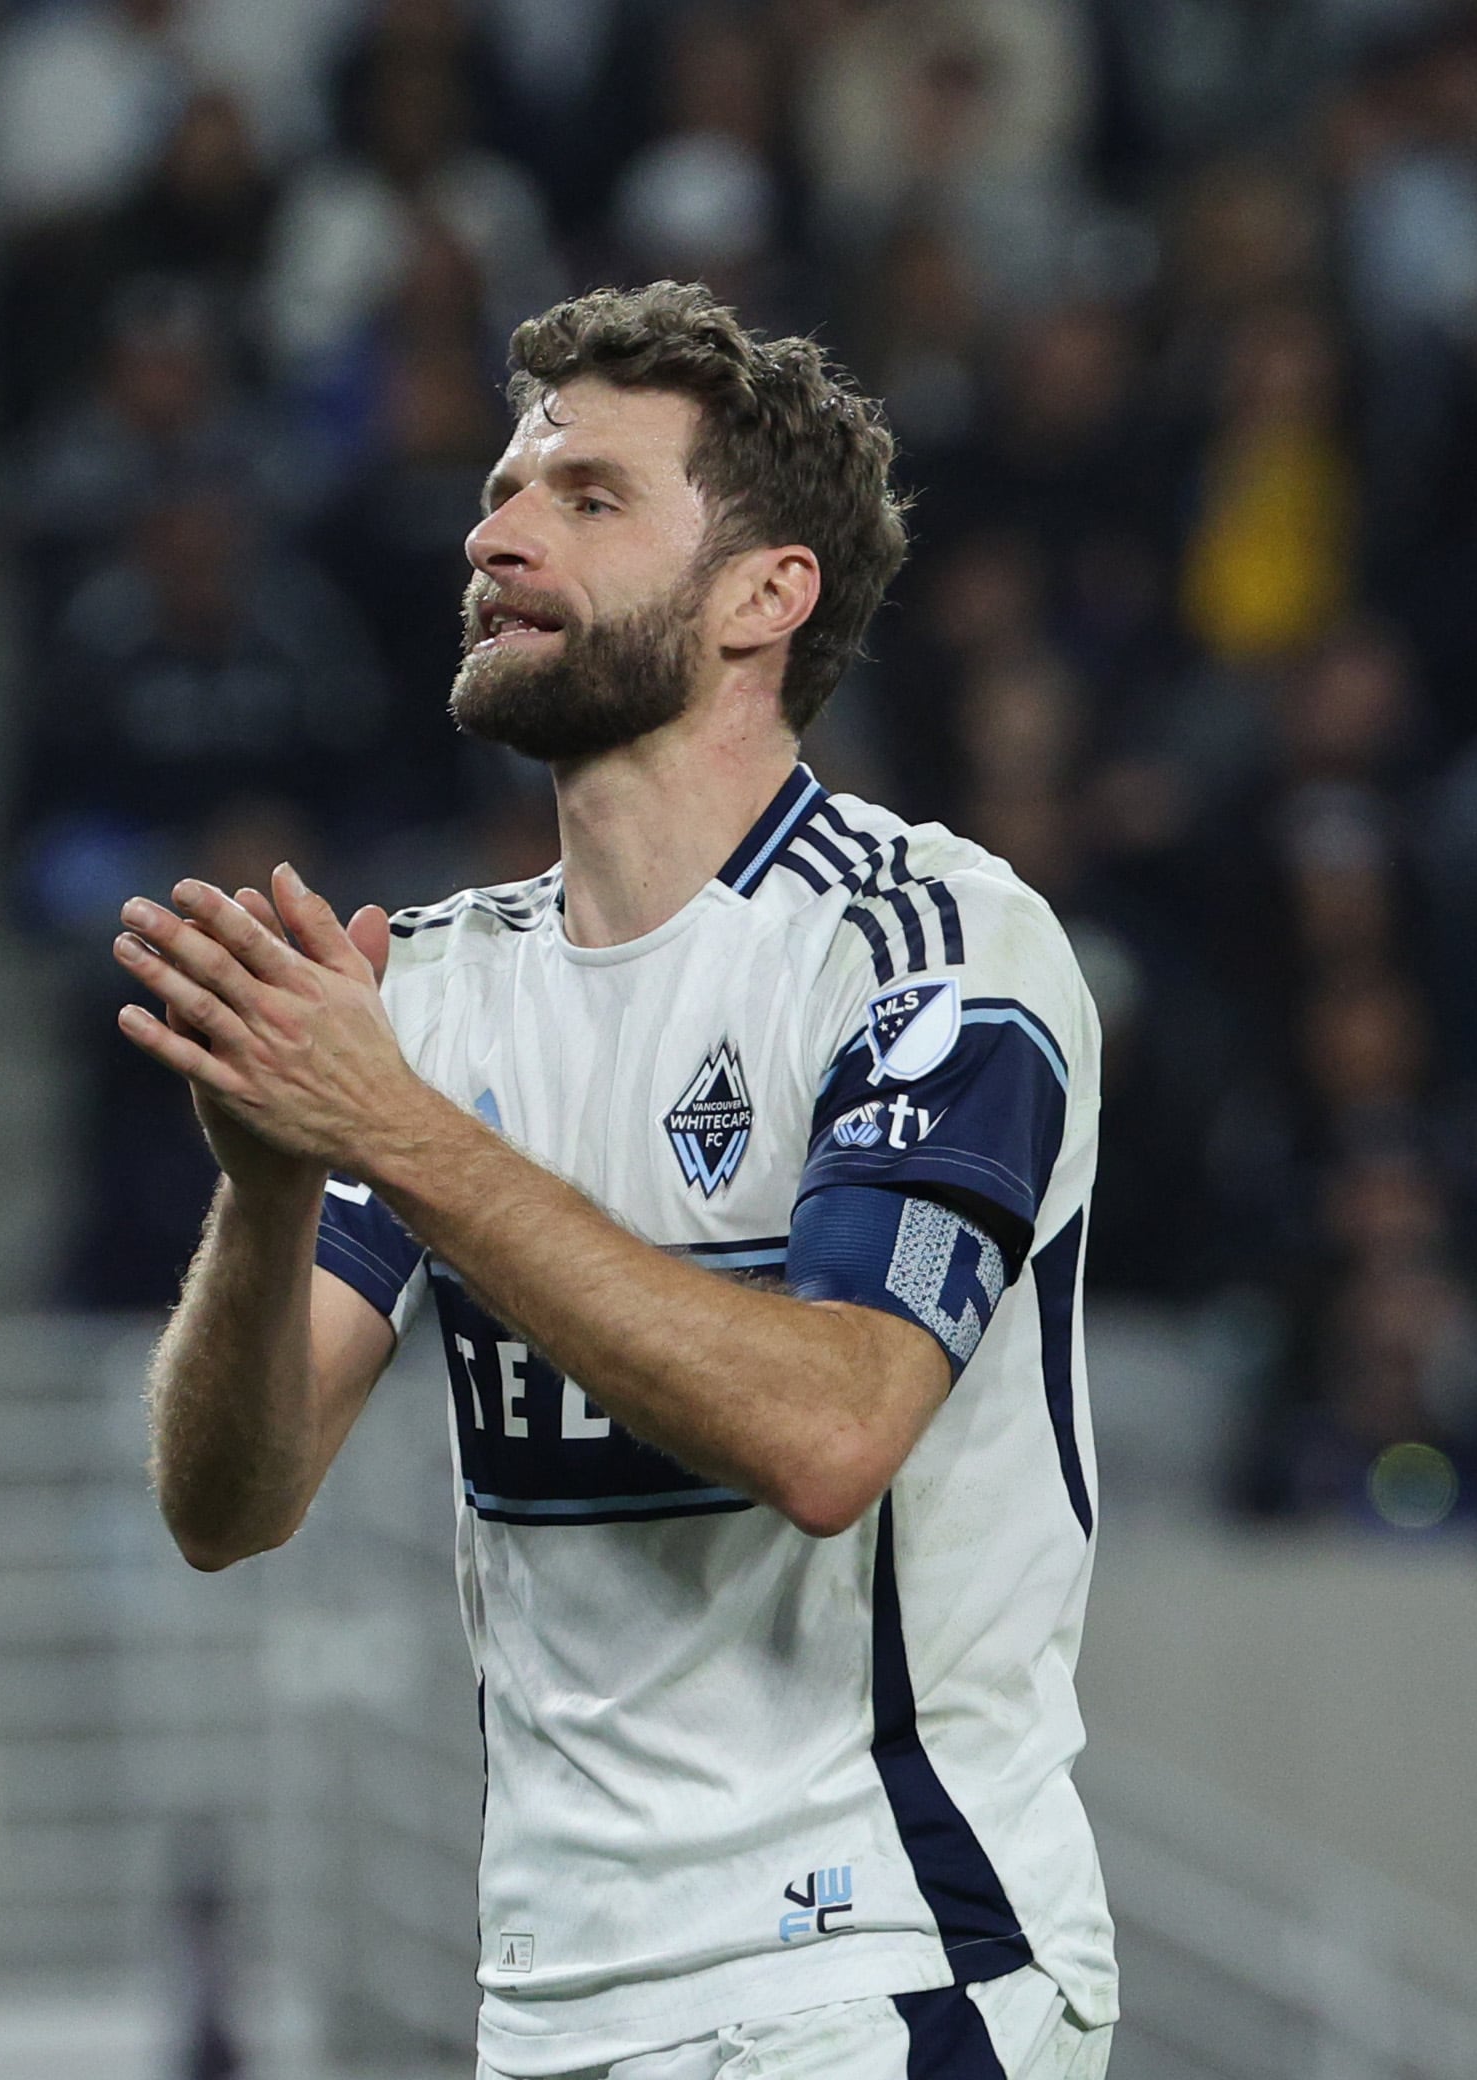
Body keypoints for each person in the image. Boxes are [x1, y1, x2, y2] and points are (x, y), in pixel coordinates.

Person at [120, 283, 1112, 2077]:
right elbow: (227, 1506)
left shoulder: (928, 949)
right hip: (557, 2002)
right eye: (504, 489)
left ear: (763, 594)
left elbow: (830, 1435)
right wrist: (271, 1185)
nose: (495, 533)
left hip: (878, 1964)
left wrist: (393, 1132)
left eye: (586, 498)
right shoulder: (421, 991)